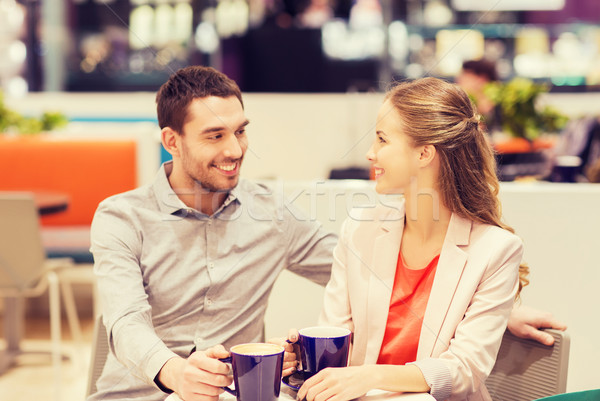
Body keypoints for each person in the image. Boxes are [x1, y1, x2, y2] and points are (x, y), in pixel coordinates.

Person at [87, 65, 337, 401]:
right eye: (215, 136)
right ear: (172, 141)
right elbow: (126, 322)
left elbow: (353, 271)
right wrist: (176, 372)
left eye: (240, 132)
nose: (235, 150)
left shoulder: (273, 214)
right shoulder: (121, 217)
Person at [292, 77, 533, 401]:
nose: (369, 153)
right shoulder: (360, 230)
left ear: (424, 153)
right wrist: (301, 357)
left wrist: (372, 375)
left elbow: (465, 370)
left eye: (381, 140)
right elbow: (336, 337)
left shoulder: (496, 250)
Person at [455, 59, 499, 129]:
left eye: (465, 75)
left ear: (482, 79)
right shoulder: (458, 108)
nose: (458, 80)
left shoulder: (501, 109)